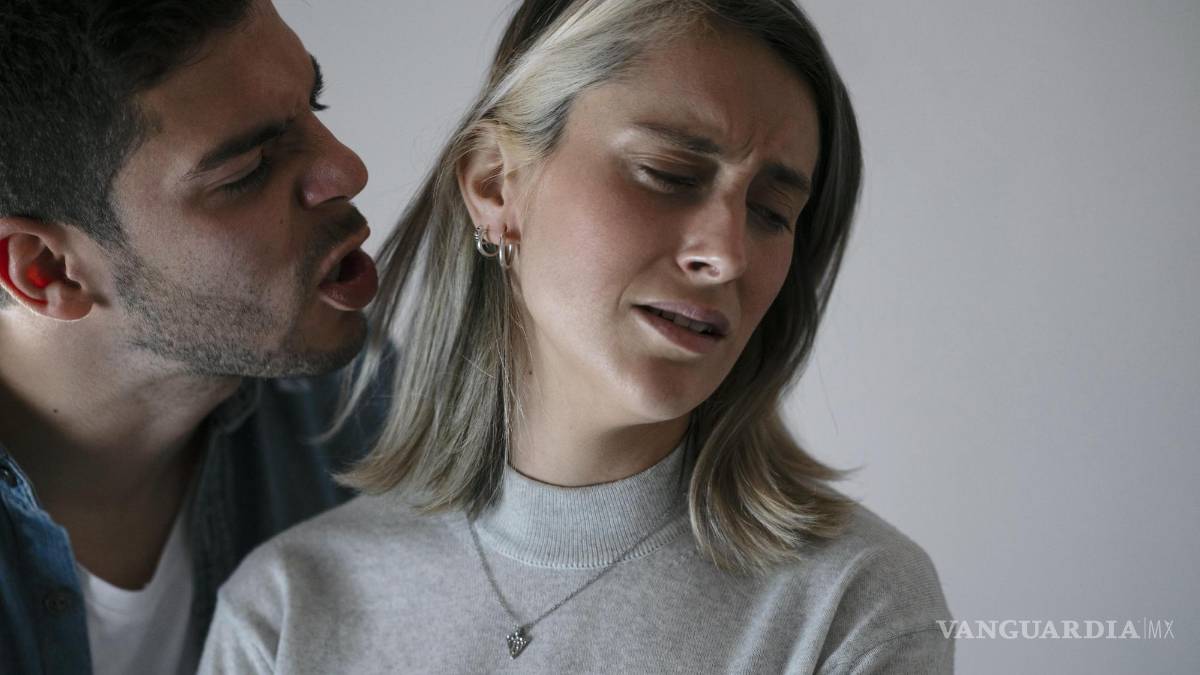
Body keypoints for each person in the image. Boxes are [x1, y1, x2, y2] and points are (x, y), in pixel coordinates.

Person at [201, 0, 955, 672]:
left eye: (771, 213)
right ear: (495, 185)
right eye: (669, 172)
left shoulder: (853, 609)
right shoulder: (287, 611)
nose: (727, 254)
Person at [0, 1, 387, 673]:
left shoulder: (362, 414)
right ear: (47, 271)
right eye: (249, 170)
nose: (348, 170)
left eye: (314, 106)